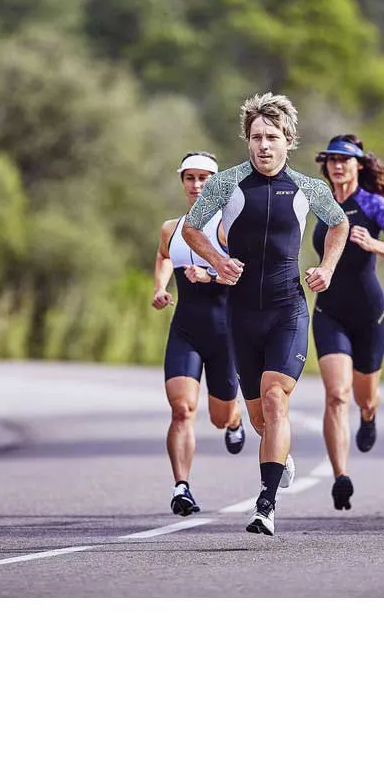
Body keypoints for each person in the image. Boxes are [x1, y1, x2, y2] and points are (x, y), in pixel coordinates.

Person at [182, 93, 349, 536]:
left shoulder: (309, 188)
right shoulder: (227, 184)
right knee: (259, 418)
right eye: (256, 137)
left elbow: (339, 224)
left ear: (288, 140)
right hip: (241, 314)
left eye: (272, 137)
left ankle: (266, 504)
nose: (263, 146)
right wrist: (218, 262)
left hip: (286, 310)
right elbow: (191, 228)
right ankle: (280, 456)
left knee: (276, 400)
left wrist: (327, 268)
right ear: (247, 140)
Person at [311, 134, 384, 512]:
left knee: (363, 397)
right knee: (336, 395)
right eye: (332, 160)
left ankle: (369, 416)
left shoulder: (373, 204)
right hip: (330, 312)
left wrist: (373, 244)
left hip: (370, 314)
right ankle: (341, 476)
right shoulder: (320, 203)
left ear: (358, 165)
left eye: (345, 159)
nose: (338, 165)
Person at [152, 151, 245, 517]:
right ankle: (181, 487)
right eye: (189, 178)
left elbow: (245, 273)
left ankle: (235, 419)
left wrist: (210, 275)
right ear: (182, 182)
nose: (196, 185)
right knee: (181, 409)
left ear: (215, 183)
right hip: (186, 331)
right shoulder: (171, 228)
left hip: (225, 334)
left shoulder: (228, 227)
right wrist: (160, 288)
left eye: (203, 178)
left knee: (219, 417)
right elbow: (163, 256)